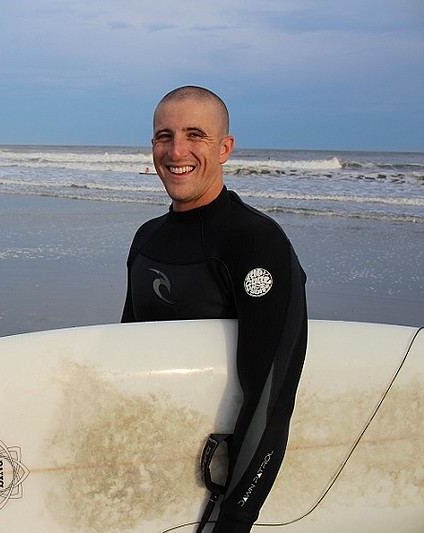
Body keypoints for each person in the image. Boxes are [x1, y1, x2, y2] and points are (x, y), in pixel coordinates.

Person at [122, 86, 307, 532]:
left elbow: (270, 396)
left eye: (195, 135)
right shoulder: (146, 239)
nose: (176, 150)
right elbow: (125, 358)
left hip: (218, 486)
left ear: (225, 148)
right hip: (150, 472)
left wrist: (235, 517)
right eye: (164, 136)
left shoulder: (257, 244)